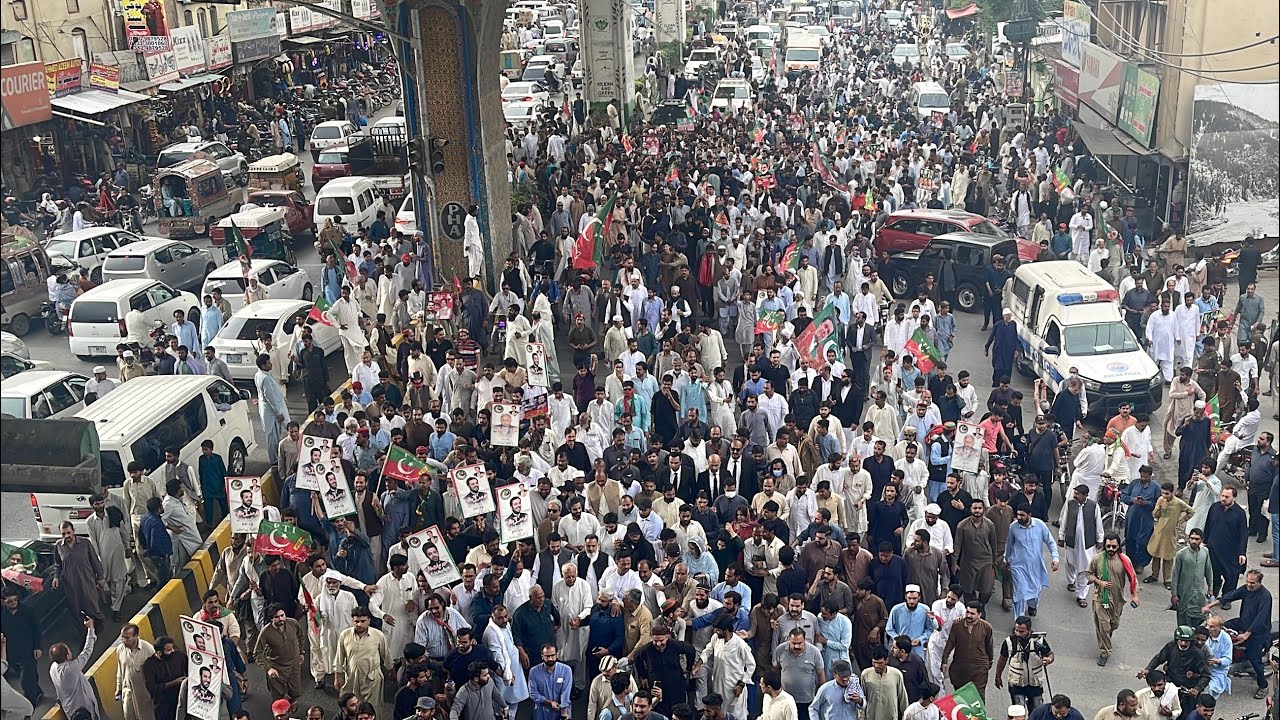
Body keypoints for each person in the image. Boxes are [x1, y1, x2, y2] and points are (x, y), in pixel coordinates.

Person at [1201, 569, 1272, 699]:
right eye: (1248, 582)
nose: (1249, 585)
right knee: (1221, 627)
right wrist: (1210, 606)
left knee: (1254, 658)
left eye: (1252, 583)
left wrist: (1246, 634)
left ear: (1259, 583)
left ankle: (1263, 685)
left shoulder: (1265, 596)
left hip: (1258, 631)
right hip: (1242, 622)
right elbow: (1230, 596)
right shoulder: (1246, 589)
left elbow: (1260, 618)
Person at [1085, 532, 1140, 667]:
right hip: (1100, 598)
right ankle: (1105, 652)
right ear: (1104, 545)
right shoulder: (1097, 559)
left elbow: (1133, 578)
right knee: (1103, 626)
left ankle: (1106, 639)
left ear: (1118, 546)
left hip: (1117, 600)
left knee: (1113, 625)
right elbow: (1087, 574)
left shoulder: (1124, 560)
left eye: (1113, 546)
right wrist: (1098, 581)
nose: (1110, 549)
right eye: (1108, 546)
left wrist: (1135, 595)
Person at [1003, 508, 1059, 619]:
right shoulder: (1013, 527)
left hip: (1036, 566)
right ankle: (1019, 620)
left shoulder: (1039, 525)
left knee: (1035, 590)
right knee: (1020, 593)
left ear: (1029, 515)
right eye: (1018, 515)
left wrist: (1055, 559)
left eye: (1022, 515)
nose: (1019, 517)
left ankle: (1032, 606)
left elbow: (1051, 542)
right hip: (1018, 566)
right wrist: (1006, 559)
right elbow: (1009, 545)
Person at [51, 520, 106, 628]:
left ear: (73, 531)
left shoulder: (85, 543)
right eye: (63, 534)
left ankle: (98, 628)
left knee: (93, 607)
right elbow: (57, 564)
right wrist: (56, 577)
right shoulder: (58, 546)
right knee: (77, 609)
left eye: (68, 533)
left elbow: (94, 561)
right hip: (71, 585)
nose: (66, 536)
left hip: (87, 582)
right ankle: (84, 632)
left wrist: (100, 577)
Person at [994, 616, 1054, 712]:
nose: (1018, 633)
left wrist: (1048, 660)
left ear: (1029, 630)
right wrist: (998, 676)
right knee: (1018, 712)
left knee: (1036, 711)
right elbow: (1002, 659)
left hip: (1035, 684)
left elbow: (1050, 654)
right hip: (1017, 684)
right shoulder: (1009, 642)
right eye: (1016, 630)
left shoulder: (1039, 641)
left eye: (1021, 631)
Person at [1057, 485, 1102, 609]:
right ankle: (1071, 581)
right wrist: (1061, 536)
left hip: (1087, 543)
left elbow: (1098, 524)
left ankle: (1081, 595)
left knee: (1086, 567)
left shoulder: (1093, 506)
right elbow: (1064, 521)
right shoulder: (1070, 504)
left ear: (1085, 496)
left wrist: (1100, 539)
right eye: (1075, 493)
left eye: (1078, 494)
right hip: (1072, 540)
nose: (1075, 496)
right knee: (1070, 562)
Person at [49, 617, 100, 720]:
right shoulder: (71, 668)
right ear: (67, 656)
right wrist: (90, 628)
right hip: (83, 709)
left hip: (70, 709)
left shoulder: (53, 668)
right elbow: (87, 650)